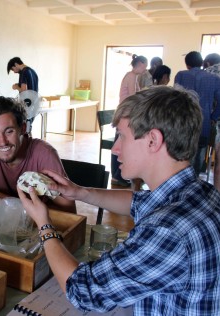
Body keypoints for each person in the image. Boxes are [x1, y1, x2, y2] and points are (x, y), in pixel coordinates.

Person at [18, 86, 220, 315]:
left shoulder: (167, 231)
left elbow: (82, 291)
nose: (114, 148)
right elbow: (138, 202)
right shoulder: (201, 192)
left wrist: (45, 225)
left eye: (122, 136)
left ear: (153, 140)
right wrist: (80, 192)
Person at [0, 96, 76, 213]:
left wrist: (7, 201)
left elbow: (69, 212)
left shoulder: (44, 154)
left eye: (9, 131)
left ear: (23, 128)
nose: (2, 142)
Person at [174, 51, 220, 176]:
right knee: (200, 153)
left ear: (187, 64)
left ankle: (182, 183)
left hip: (183, 121)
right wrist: (213, 117)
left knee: (182, 153)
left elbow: (175, 98)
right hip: (204, 122)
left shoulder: (181, 75)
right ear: (202, 63)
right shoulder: (214, 79)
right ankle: (195, 181)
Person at [112, 54, 148, 188]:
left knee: (121, 144)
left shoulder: (134, 76)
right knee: (120, 146)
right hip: (125, 113)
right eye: (145, 65)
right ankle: (117, 175)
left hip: (126, 112)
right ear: (140, 64)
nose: (145, 68)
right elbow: (135, 96)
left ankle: (118, 175)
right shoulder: (131, 76)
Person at [203, 53, 220, 190]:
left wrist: (212, 117)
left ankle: (217, 196)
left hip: (214, 121)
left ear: (208, 63)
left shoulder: (209, 73)